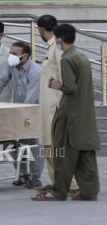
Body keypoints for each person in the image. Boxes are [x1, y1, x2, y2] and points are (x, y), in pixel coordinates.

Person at [33, 24, 100, 201]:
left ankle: (58, 191)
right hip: (85, 113)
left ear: (60, 39)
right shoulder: (82, 56)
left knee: (62, 155)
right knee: (86, 155)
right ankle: (89, 191)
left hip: (70, 114)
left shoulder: (67, 59)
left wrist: (57, 85)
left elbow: (70, 88)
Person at [0, 41, 43, 188]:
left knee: (31, 145)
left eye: (15, 54)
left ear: (25, 56)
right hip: (17, 108)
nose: (11, 56)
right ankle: (22, 174)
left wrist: (21, 116)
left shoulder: (36, 71)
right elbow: (1, 81)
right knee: (10, 143)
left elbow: (30, 98)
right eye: (10, 53)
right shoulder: (11, 65)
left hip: (32, 110)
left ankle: (35, 176)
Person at [36, 15, 79, 194]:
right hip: (49, 105)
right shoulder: (51, 47)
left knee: (56, 146)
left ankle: (70, 184)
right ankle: (57, 181)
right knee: (49, 145)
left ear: (40, 29)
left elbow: (66, 76)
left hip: (56, 105)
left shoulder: (57, 47)